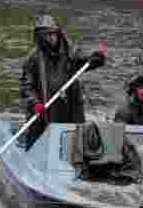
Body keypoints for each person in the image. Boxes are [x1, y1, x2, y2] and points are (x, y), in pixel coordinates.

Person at [19, 14, 106, 148]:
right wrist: (35, 103)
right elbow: (26, 87)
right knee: (40, 142)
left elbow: (84, 63)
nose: (50, 38)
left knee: (72, 141)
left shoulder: (70, 51)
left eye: (52, 34)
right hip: (44, 108)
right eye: (46, 35)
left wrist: (96, 59)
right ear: (39, 38)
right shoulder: (33, 59)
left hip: (69, 106)